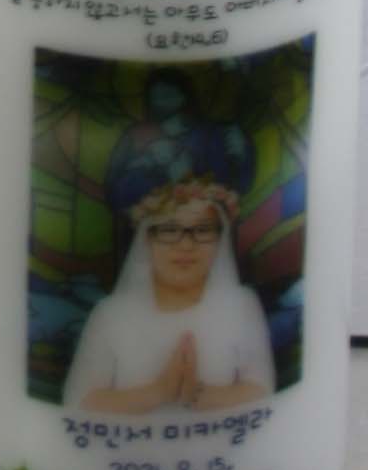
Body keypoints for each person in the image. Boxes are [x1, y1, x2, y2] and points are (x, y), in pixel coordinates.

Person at [65, 175, 275, 414]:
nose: (186, 246)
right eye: (169, 230)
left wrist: (199, 394)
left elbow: (263, 391)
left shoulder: (241, 305)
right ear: (147, 239)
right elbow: (78, 402)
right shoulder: (111, 314)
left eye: (203, 230)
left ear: (220, 238)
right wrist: (159, 392)